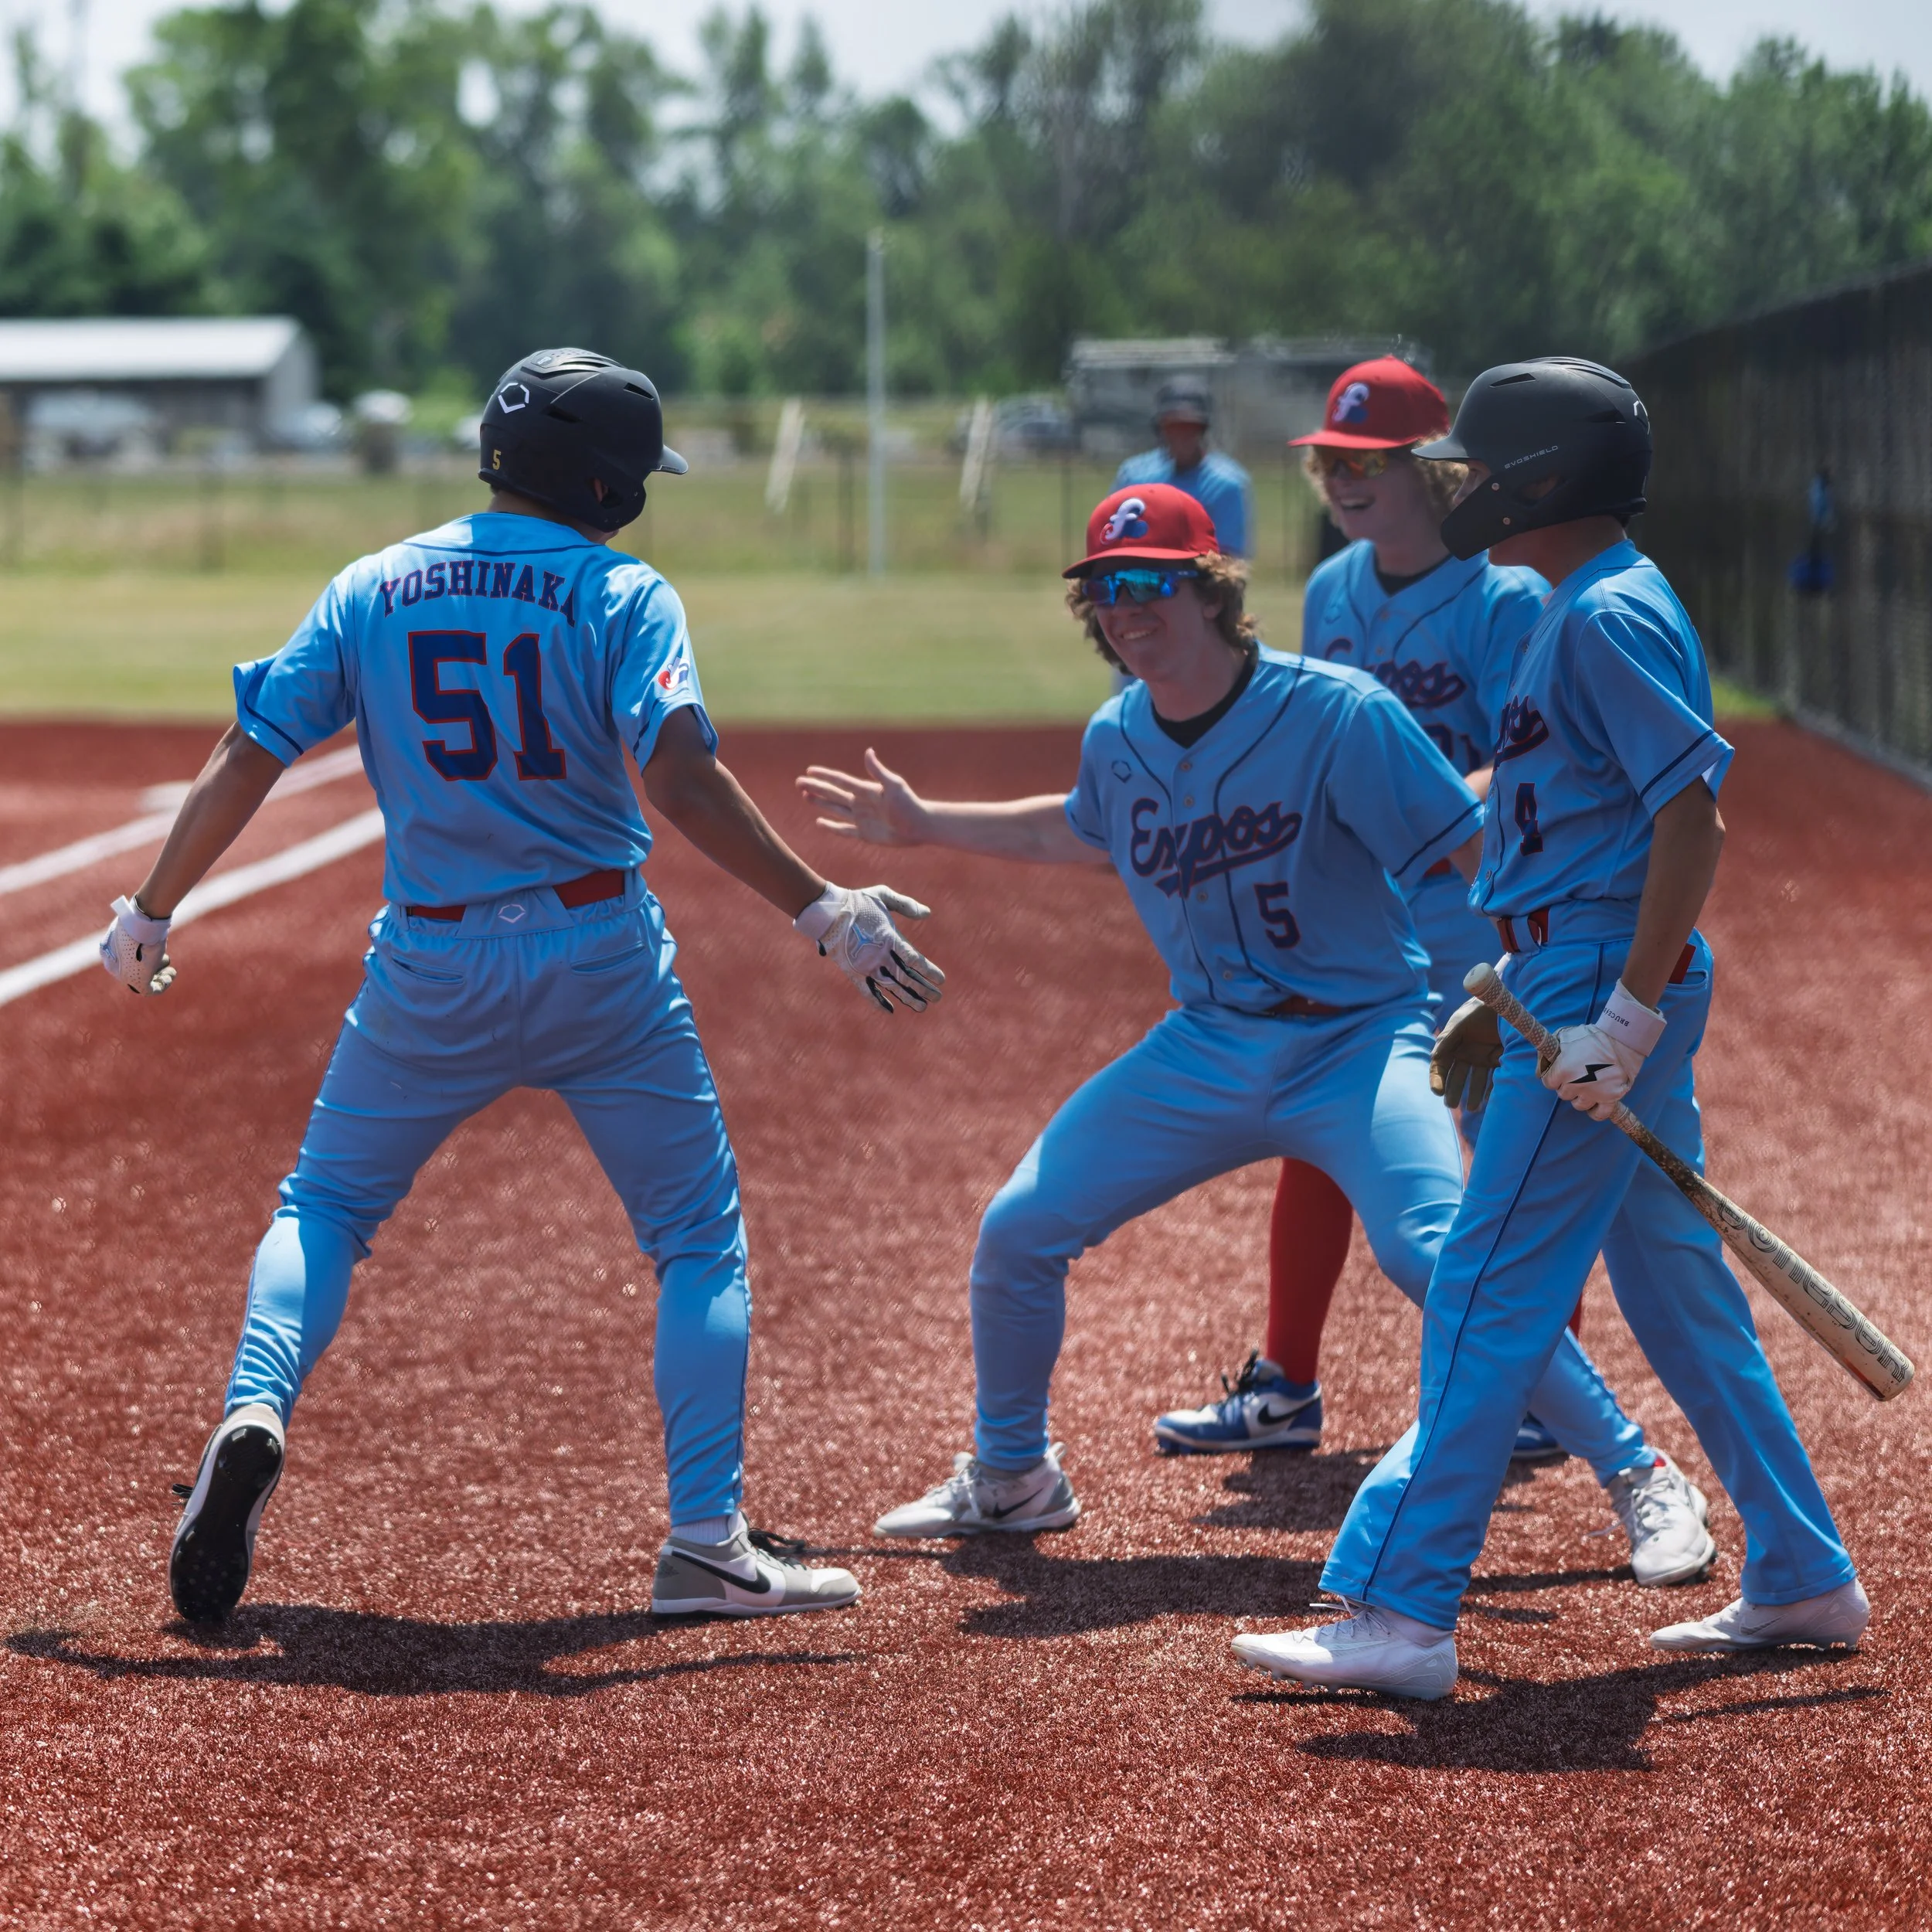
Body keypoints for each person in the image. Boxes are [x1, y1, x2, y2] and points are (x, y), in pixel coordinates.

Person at [101, 346, 944, 1625]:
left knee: (324, 1205)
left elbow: (248, 749)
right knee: (696, 1243)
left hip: (427, 960)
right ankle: (706, 1543)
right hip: (598, 957)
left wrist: (152, 911)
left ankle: (257, 1409)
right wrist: (822, 911)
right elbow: (681, 775)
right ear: (610, 481)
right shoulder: (624, 590)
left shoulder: (373, 583)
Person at [797, 485, 1706, 1585]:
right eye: (1104, 589)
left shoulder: (1342, 712)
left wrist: (1555, 987)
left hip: (1361, 1041)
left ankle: (1638, 1470)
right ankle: (1012, 1475)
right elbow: (1085, 829)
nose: (1126, 607)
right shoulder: (1119, 735)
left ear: (1210, 589)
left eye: (1150, 582)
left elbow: (1481, 852)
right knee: (1019, 1227)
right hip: (1208, 1044)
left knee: (1438, 1255)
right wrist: (927, 825)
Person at [1232, 359, 1867, 1701]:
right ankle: (1802, 1570)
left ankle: (1399, 1609)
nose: (1465, 484)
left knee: (1484, 1286)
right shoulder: (1581, 605)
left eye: (1486, 465)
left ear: (1545, 478)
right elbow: (1570, 822)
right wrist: (1505, 984)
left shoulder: (1603, 616)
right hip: (1558, 969)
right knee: (1678, 1295)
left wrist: (1623, 1013)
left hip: (1595, 976)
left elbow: (1691, 812)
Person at [1152, 356, 1587, 1469]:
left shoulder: (1505, 597)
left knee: (1505, 1146)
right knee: (1325, 1128)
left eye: (1370, 461)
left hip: (1472, 908)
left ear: (1432, 471)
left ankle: (1545, 1394)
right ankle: (1288, 1386)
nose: (1344, 479)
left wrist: (1405, 809)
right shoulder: (1337, 587)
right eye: (1331, 462)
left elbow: (1526, 765)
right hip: (1363, 918)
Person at [1114, 377, 1250, 559]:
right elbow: (1113, 541)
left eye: (1190, 426)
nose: (1181, 435)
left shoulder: (1226, 484)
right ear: (1160, 429)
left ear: (1203, 429)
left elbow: (1228, 560)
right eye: (1173, 426)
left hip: (1201, 581)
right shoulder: (1133, 477)